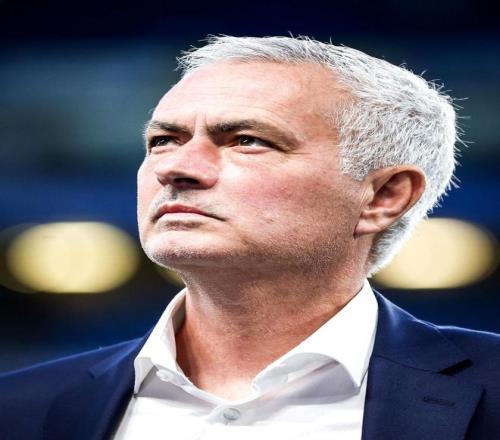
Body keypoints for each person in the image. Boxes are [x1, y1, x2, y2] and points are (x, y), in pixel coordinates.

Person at [1, 35, 499, 440]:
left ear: (384, 196)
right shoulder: (17, 408)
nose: (175, 167)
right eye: (164, 140)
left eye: (247, 140)